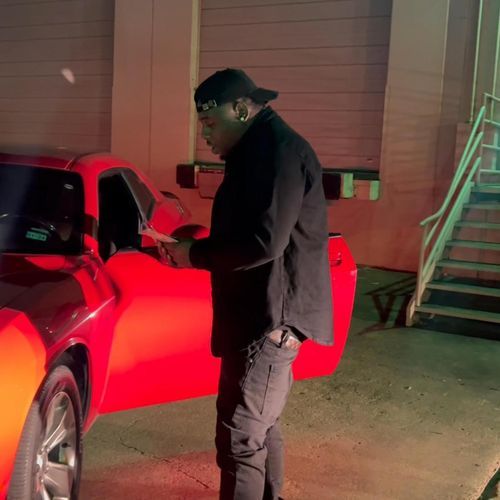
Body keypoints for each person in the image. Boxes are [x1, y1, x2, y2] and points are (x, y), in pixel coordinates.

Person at [164, 68, 333, 500]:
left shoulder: (275, 152)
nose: (205, 135)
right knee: (260, 427)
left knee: (240, 437)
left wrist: (195, 255)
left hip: (269, 322)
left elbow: (264, 241)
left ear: (241, 109)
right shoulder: (260, 150)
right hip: (262, 318)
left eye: (210, 122)